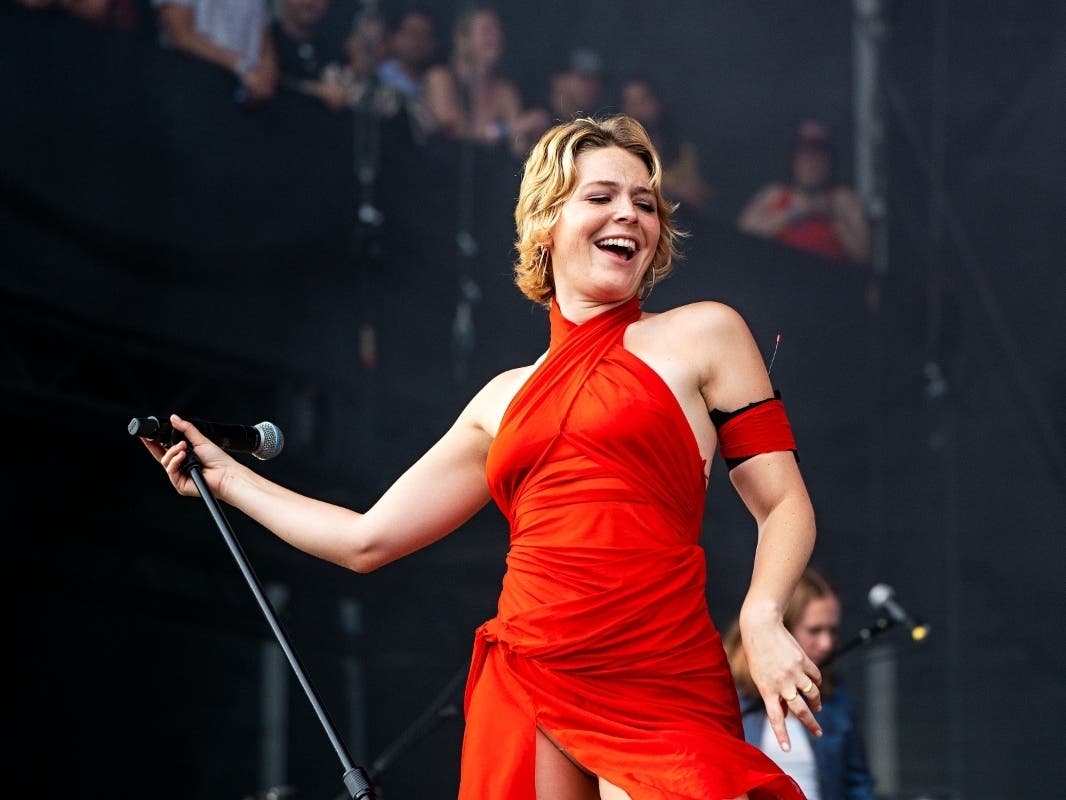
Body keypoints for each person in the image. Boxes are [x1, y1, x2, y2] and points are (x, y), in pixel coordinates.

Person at [142, 114, 821, 800]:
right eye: (602, 196)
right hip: (532, 669)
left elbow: (784, 502)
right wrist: (228, 480)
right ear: (547, 222)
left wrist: (763, 615)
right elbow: (366, 539)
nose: (629, 214)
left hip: (659, 667)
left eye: (645, 203)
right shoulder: (501, 399)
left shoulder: (705, 333)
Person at [723, 568, 877, 800]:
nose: (826, 643)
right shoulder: (730, 694)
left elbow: (858, 783)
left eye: (832, 631)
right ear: (780, 628)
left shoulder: (835, 695)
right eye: (814, 630)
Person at [422, 4, 550, 159]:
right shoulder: (440, 78)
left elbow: (517, 146)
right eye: (487, 30)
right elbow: (452, 129)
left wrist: (535, 136)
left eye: (498, 30)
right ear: (462, 39)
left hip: (489, 171)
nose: (496, 37)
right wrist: (508, 130)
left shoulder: (504, 90)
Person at [737, 119, 870, 264]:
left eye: (817, 158)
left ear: (829, 163)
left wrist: (832, 216)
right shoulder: (774, 194)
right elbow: (742, 238)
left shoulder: (842, 198)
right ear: (793, 162)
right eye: (805, 158)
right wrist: (795, 213)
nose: (811, 164)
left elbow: (863, 254)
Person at [619, 75, 714, 218]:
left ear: (657, 102)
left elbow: (700, 190)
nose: (638, 108)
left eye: (644, 99)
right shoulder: (617, 152)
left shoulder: (681, 147)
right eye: (631, 102)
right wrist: (674, 193)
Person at [152, 0, 278, 105]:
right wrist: (242, 67)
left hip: (251, 91)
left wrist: (266, 68)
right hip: (194, 85)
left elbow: (262, 22)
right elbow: (179, 32)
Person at [270, 0, 349, 111]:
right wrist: (313, 89)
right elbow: (264, 82)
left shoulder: (338, 49)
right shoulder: (267, 43)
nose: (309, 3)